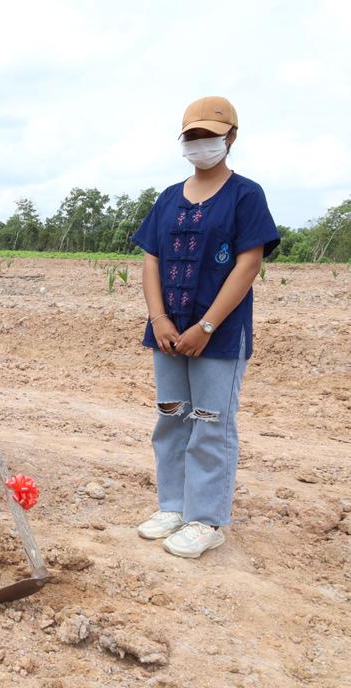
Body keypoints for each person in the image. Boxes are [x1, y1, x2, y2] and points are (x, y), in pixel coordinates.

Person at [133, 96, 279, 558]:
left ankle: (206, 519)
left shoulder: (245, 195)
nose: (200, 144)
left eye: (209, 136)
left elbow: (248, 263)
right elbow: (151, 259)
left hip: (218, 336)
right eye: (192, 136)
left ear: (230, 137)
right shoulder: (168, 198)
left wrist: (207, 325)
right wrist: (159, 318)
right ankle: (174, 506)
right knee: (172, 417)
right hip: (167, 333)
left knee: (211, 422)